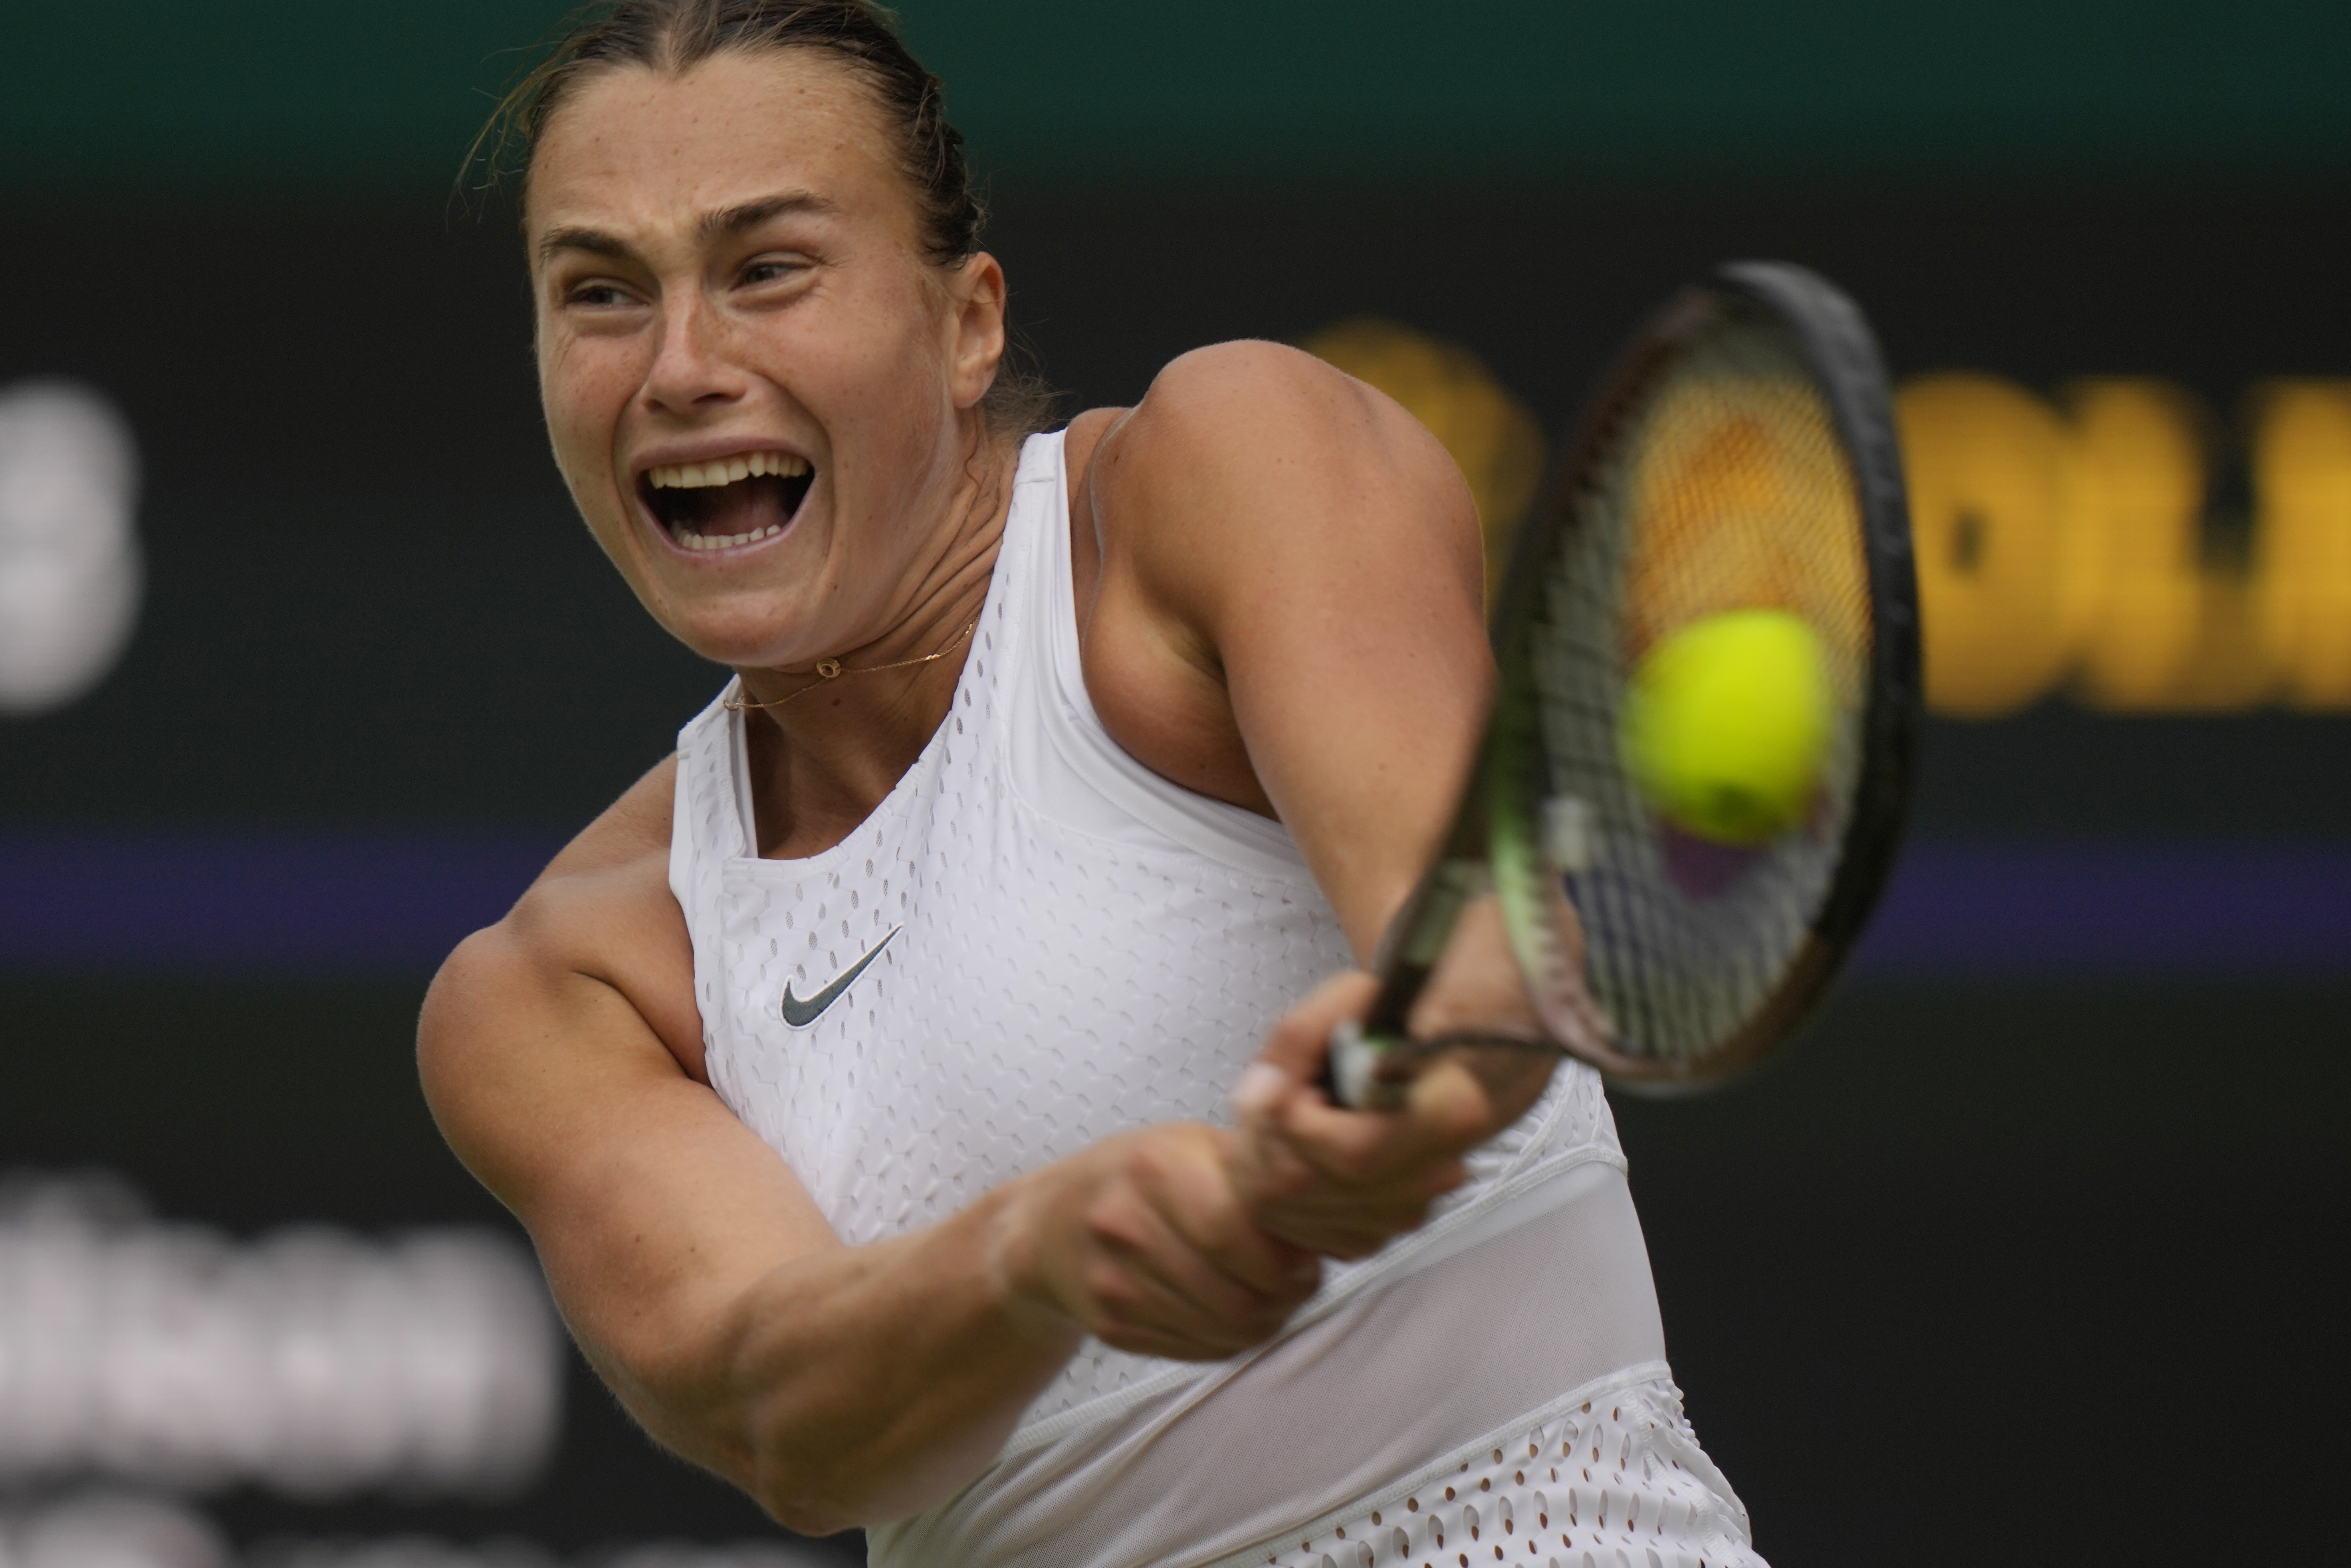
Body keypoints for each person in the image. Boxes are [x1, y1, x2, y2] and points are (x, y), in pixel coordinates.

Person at [418, 4, 1768, 1564]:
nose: (680, 366)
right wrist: (1035, 1259)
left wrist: (1432, 1065)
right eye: (599, 293)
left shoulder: (1224, 467)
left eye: (767, 268)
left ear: (964, 322)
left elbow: (1475, 939)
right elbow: (785, 1417)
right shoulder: (565, 983)